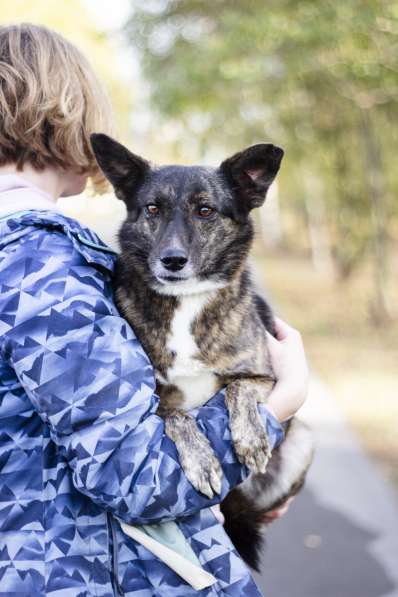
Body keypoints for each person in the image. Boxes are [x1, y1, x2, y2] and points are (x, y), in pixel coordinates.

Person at [0, 23, 308, 596]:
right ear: (61, 113)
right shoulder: (37, 263)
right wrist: (282, 401)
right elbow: (136, 476)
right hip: (86, 576)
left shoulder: (37, 252)